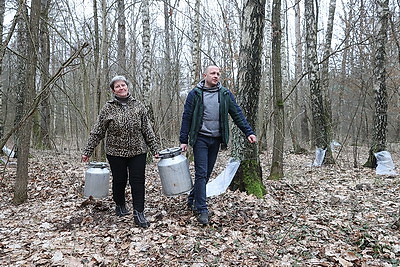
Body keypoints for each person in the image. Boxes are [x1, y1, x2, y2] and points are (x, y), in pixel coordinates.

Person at [179, 65, 257, 225]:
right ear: (205, 75)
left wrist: (248, 132)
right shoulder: (195, 94)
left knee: (206, 174)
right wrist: (183, 140)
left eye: (218, 74)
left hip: (215, 139)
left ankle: (193, 197)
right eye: (213, 73)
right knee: (201, 173)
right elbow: (186, 116)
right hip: (200, 138)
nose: (216, 76)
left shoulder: (225, 94)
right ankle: (202, 209)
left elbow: (237, 114)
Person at [82, 75, 160, 228]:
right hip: (115, 152)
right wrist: (88, 150)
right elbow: (98, 131)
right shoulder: (108, 108)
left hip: (138, 151)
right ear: (113, 90)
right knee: (120, 180)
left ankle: (139, 212)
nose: (121, 88)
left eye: (123, 85)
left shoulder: (138, 106)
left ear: (127, 87)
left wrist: (155, 148)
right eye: (117, 86)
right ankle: (119, 204)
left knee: (138, 181)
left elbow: (147, 130)